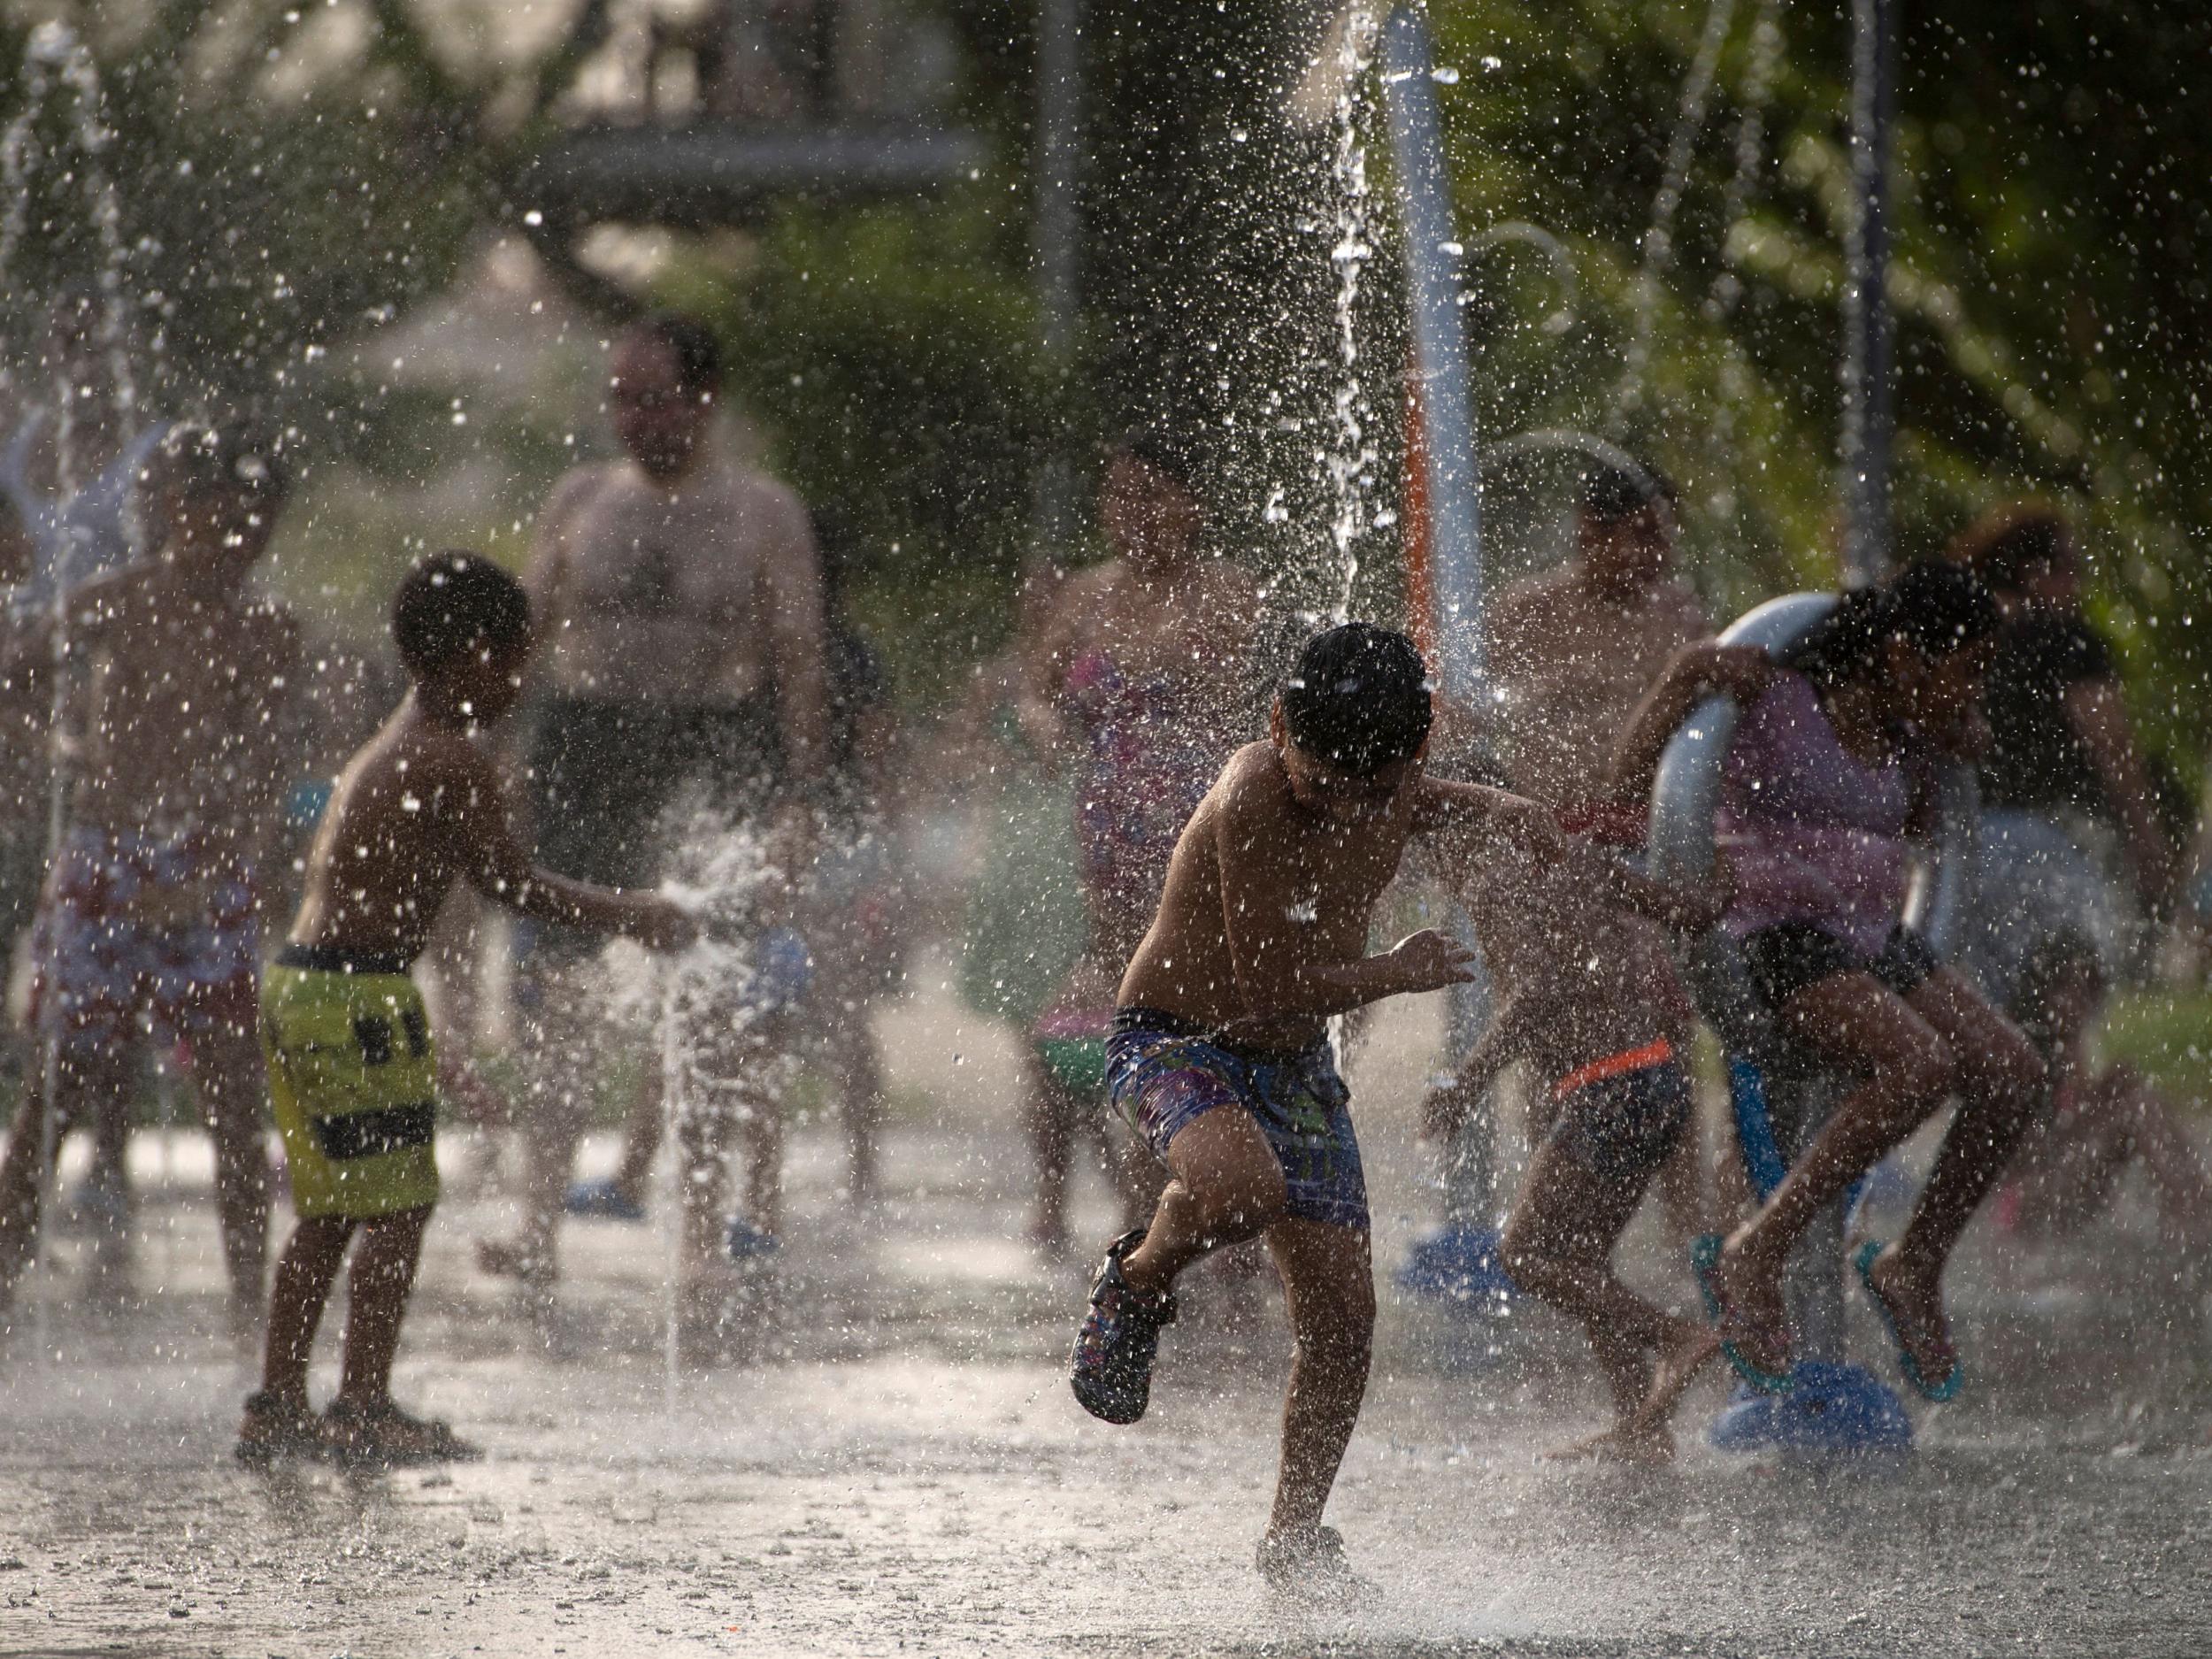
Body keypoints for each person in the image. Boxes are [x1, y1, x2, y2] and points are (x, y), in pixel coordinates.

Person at [1070, 622, 1569, 1599]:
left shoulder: (1387, 776)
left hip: (1290, 1063)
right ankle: (1138, 1278)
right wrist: (1396, 972)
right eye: (1321, 780)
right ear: (1277, 727)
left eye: (1369, 789)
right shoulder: (1254, 796)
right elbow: (1268, 985)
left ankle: (1294, 1539)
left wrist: (1505, 808)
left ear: (1409, 754)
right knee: (1242, 1191)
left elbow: (1421, 801)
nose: (1341, 806)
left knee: (1344, 1321)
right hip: (1180, 1038)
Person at [235, 552, 693, 1467]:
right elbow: (512, 887)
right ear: (478, 654)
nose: (523, 682)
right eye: (518, 660)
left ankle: (279, 1403)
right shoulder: (449, 759)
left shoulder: (395, 738)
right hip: (357, 991)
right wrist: (634, 916)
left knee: (332, 1211)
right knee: (396, 1210)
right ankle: (362, 1407)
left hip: (308, 981)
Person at [1609, 559, 2044, 1401]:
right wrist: (1681, 680)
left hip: (1874, 938)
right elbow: (1631, 788)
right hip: (1776, 933)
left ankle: (1914, 1262)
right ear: (1906, 652)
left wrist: (1952, 749)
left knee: (2013, 1072)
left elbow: (1913, 827)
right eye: (1970, 669)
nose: (1976, 691)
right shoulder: (1775, 696)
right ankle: (1756, 1250)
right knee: (1920, 1065)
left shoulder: (1908, 729)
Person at [476, 311, 827, 1300]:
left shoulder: (763, 513)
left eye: (653, 396)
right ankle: (538, 1223)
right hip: (584, 754)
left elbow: (799, 662)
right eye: (620, 397)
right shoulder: (579, 501)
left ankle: (702, 1232)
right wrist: (487, 755)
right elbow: (523, 640)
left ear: (704, 399)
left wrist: (800, 797)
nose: (633, 417)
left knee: (710, 996)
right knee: (555, 999)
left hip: (710, 755)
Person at [0, 421, 302, 1337]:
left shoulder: (266, 630)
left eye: (259, 525)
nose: (241, 542)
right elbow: (15, 678)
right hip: (104, 861)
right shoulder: (113, 602)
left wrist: (214, 868)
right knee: (53, 1094)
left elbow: (265, 769)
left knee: (233, 1104)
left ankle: (253, 1320)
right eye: (224, 518)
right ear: (174, 509)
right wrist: (55, 750)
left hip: (206, 871)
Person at [1017, 434, 1260, 1254]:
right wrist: (1050, 731)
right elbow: (1036, 697)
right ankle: (1076, 1213)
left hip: (1196, 842)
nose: (1132, 515)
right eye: (1118, 498)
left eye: (1151, 496)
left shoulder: (1228, 596)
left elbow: (1260, 715)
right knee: (1089, 1022)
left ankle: (1192, 1221)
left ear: (1191, 506)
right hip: (1106, 850)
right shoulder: (1085, 598)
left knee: (1184, 1021)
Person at [1422, 818, 1724, 1463]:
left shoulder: (1490, 877)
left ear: (1451, 831)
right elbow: (1687, 911)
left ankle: (1676, 1336)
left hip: (1607, 1084)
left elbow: (1536, 990)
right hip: (1657, 1074)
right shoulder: (1568, 853)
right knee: (1583, 1261)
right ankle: (1642, 1428)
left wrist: (1462, 1087)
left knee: (1524, 1253)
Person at [1946, 504, 2177, 1005]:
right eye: (2073, 568)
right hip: (2043, 849)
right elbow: (2114, 751)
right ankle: (2071, 1083)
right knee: (2068, 989)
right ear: (2035, 572)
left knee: (1985, 1008)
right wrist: (2147, 839)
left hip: (1960, 850)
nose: (2080, 584)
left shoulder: (1959, 636)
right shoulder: (2068, 644)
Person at [1484, 464, 1709, 838]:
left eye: (1667, 538)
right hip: (1541, 829)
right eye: (1647, 536)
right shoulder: (1527, 612)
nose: (1659, 554)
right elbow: (1474, 715)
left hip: (1650, 830)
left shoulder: (1681, 616)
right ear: (1590, 530)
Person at [1993, 932, 2212, 1268]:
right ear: (2044, 992)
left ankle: (2196, 1204)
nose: (2081, 1001)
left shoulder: (2074, 1050)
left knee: (2137, 1091)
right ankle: (2192, 1217)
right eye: (2069, 988)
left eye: (2089, 988)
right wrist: (2098, 1113)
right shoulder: (2023, 1058)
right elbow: (2025, 1160)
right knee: (2134, 1108)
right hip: (2026, 1207)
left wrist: (2103, 1094)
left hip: (2065, 1184)